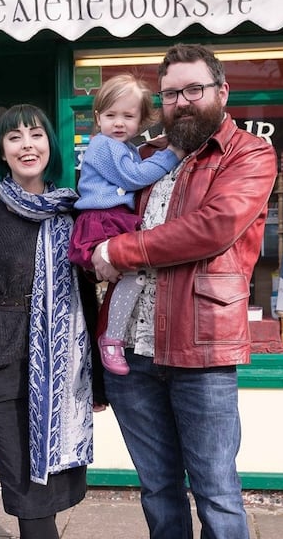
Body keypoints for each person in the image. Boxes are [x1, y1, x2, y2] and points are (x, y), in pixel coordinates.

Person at [91, 44, 277, 539]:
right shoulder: (147, 157)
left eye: (194, 89)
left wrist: (117, 251)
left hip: (202, 349)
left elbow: (212, 229)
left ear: (221, 91)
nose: (183, 101)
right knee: (157, 488)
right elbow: (98, 206)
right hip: (130, 353)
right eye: (171, 93)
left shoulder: (249, 154)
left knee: (216, 491)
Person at [0, 104, 94, 539]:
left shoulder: (72, 211)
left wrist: (96, 378)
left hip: (63, 362)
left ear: (50, 145)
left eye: (36, 135)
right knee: (23, 475)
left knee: (54, 479)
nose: (27, 145)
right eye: (15, 138)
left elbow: (87, 294)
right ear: (2, 152)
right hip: (4, 355)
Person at [68, 73, 184, 375]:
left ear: (141, 120)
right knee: (133, 276)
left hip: (114, 218)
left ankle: (112, 337)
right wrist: (170, 155)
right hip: (102, 221)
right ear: (97, 117)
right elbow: (133, 178)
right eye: (110, 115)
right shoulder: (102, 145)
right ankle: (112, 339)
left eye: (128, 116)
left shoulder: (126, 149)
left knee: (132, 277)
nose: (118, 123)